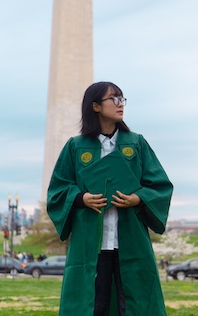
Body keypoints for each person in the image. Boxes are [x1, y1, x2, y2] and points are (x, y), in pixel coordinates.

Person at [47, 81, 173, 316]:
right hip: (91, 241)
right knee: (94, 304)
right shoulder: (76, 147)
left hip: (130, 238)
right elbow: (57, 190)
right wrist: (81, 198)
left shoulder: (136, 144)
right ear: (95, 106)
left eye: (122, 99)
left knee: (133, 303)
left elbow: (160, 186)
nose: (120, 104)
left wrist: (137, 198)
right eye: (113, 99)